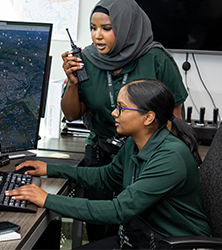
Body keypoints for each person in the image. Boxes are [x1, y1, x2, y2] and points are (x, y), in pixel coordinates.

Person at [5, 79, 211, 249]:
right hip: (141, 238)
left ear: (148, 117)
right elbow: (107, 177)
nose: (114, 113)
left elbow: (118, 210)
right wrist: (51, 169)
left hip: (173, 244)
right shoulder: (135, 142)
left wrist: (47, 199)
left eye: (121, 108)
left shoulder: (170, 156)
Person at [60, 0, 188, 241]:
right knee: (99, 231)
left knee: (136, 232)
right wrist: (72, 85)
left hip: (144, 158)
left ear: (127, 26)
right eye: (92, 27)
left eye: (106, 28)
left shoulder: (156, 59)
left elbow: (174, 121)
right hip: (102, 154)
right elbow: (71, 115)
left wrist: (156, 163)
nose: (97, 36)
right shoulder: (85, 59)